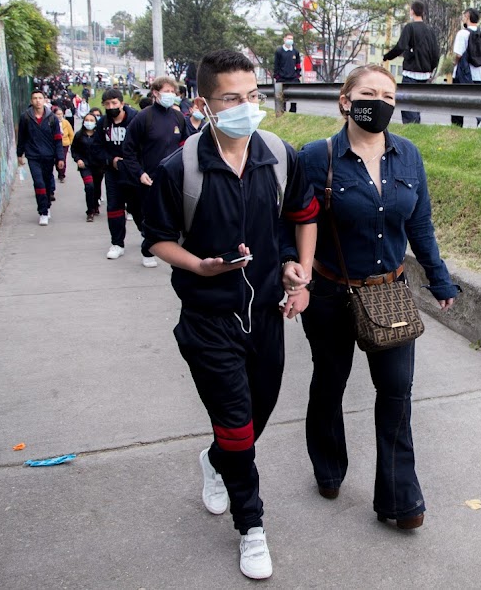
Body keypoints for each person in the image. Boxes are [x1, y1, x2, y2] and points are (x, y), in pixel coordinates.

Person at [143, 49, 319, 581]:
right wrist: (197, 265)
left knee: (254, 418)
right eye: (232, 99)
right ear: (205, 105)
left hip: (266, 315)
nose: (247, 107)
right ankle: (252, 526)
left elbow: (303, 216)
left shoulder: (280, 155)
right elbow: (156, 241)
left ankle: (215, 460)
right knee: (238, 426)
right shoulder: (182, 168)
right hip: (208, 322)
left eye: (253, 96)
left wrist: (300, 271)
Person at [297, 64, 459, 531]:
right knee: (329, 382)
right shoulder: (316, 157)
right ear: (345, 100)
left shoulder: (408, 155)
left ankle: (400, 500)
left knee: (396, 394)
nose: (380, 102)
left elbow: (420, 225)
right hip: (329, 295)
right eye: (369, 93)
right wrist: (296, 275)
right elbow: (296, 223)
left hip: (388, 295)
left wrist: (439, 278)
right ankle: (328, 469)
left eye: (388, 95)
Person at [120, 76, 189, 268]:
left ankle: (175, 250)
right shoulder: (144, 117)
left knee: (175, 217)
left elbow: (186, 145)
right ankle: (148, 250)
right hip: (148, 179)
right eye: (166, 91)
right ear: (156, 93)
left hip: (173, 179)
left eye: (173, 92)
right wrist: (139, 173)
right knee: (149, 217)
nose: (170, 95)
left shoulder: (178, 118)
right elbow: (128, 149)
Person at [99, 89, 142, 259]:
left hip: (134, 172)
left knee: (137, 208)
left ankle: (146, 235)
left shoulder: (136, 120)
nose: (111, 107)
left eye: (114, 103)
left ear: (122, 103)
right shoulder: (102, 123)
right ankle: (117, 243)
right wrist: (111, 161)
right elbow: (97, 148)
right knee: (114, 207)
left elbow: (144, 146)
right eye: (107, 104)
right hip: (113, 173)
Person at [382, 0, 440, 125]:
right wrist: (431, 68)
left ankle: (411, 128)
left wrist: (387, 57)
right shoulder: (430, 30)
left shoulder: (410, 27)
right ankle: (416, 127)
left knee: (407, 105)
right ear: (423, 13)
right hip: (425, 73)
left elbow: (400, 46)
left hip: (410, 72)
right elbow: (436, 53)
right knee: (417, 104)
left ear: (412, 11)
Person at [16, 90, 65, 226]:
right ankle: (43, 212)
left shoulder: (52, 118)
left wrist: (60, 158)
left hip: (48, 156)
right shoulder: (25, 117)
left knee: (47, 182)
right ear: (31, 101)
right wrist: (19, 154)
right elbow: (21, 137)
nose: (38, 101)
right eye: (35, 98)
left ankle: (47, 205)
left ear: (44, 100)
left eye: (40, 98)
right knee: (39, 183)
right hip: (33, 156)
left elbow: (57, 140)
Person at [451, 8, 481, 128]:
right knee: (477, 100)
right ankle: (480, 120)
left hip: (464, 74)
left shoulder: (462, 33)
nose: (463, 18)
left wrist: (454, 63)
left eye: (464, 15)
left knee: (457, 101)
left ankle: (457, 126)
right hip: (480, 74)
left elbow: (458, 54)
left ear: (468, 16)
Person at [71, 108, 107, 222]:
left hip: (99, 166)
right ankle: (90, 211)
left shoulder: (100, 136)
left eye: (92, 120)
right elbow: (74, 150)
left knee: (96, 187)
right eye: (87, 120)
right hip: (85, 166)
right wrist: (78, 160)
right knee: (89, 186)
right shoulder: (79, 135)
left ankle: (95, 204)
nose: (89, 122)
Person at [273, 34, 301, 113]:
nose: (290, 40)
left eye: (291, 39)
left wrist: (298, 74)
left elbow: (298, 64)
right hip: (282, 78)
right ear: (284, 39)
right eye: (288, 38)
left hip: (293, 78)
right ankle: (282, 111)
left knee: (294, 99)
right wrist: (277, 76)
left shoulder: (295, 52)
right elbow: (276, 65)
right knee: (281, 99)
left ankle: (293, 111)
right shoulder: (279, 51)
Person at [55, 106, 74, 183]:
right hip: (55, 144)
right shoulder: (52, 122)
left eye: (61, 114)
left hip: (64, 143)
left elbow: (71, 133)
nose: (59, 116)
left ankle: (62, 175)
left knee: (63, 159)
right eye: (57, 114)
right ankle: (59, 170)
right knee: (56, 160)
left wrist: (72, 144)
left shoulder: (66, 122)